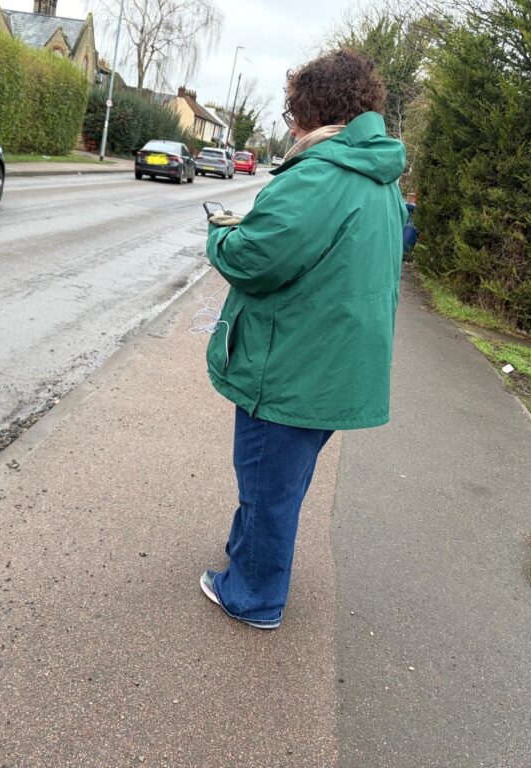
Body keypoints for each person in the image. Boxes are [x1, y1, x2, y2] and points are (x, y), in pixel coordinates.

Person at [200, 49, 408, 630]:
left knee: (267, 484)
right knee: (279, 480)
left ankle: (253, 596)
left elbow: (255, 260)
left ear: (310, 109)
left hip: (293, 362)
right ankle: (248, 561)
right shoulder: (379, 175)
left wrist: (218, 236)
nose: (291, 124)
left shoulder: (321, 173)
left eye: (294, 111)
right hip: (335, 363)